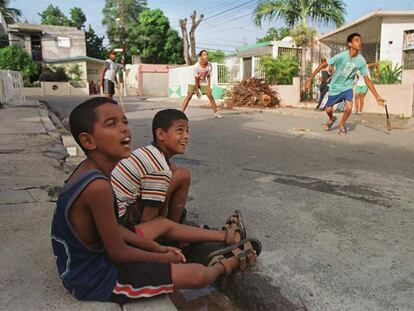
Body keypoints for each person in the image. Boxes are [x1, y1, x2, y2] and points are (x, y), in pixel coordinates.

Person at [51, 97, 261, 303]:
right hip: (93, 278)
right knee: (198, 276)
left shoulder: (90, 171)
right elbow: (118, 253)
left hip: (90, 260)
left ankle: (226, 236)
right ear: (88, 140)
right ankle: (226, 264)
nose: (124, 128)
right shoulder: (97, 187)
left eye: (124, 121)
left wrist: (156, 248)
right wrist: (161, 257)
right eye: (111, 124)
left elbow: (113, 229)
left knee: (164, 225)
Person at [111, 109, 193, 231]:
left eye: (187, 131)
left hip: (116, 210)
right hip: (122, 219)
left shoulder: (150, 151)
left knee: (173, 169)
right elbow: (147, 220)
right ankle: (172, 230)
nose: (186, 136)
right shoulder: (159, 168)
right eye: (180, 131)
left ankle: (169, 223)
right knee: (183, 175)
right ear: (160, 135)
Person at [305, 33, 385, 135]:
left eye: (360, 40)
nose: (360, 42)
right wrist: (310, 79)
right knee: (328, 109)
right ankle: (331, 118)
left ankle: (342, 124)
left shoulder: (361, 61)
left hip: (347, 86)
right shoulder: (342, 56)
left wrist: (377, 96)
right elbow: (323, 64)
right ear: (350, 44)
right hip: (335, 87)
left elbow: (367, 80)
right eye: (357, 40)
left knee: (349, 107)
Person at [180, 50, 223, 119]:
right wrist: (197, 89)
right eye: (204, 55)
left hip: (203, 81)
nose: (206, 56)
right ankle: (180, 114)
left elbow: (209, 76)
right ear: (201, 57)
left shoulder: (209, 65)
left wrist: (209, 87)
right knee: (189, 96)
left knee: (210, 95)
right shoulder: (196, 66)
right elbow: (196, 78)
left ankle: (216, 113)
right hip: (193, 81)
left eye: (207, 54)